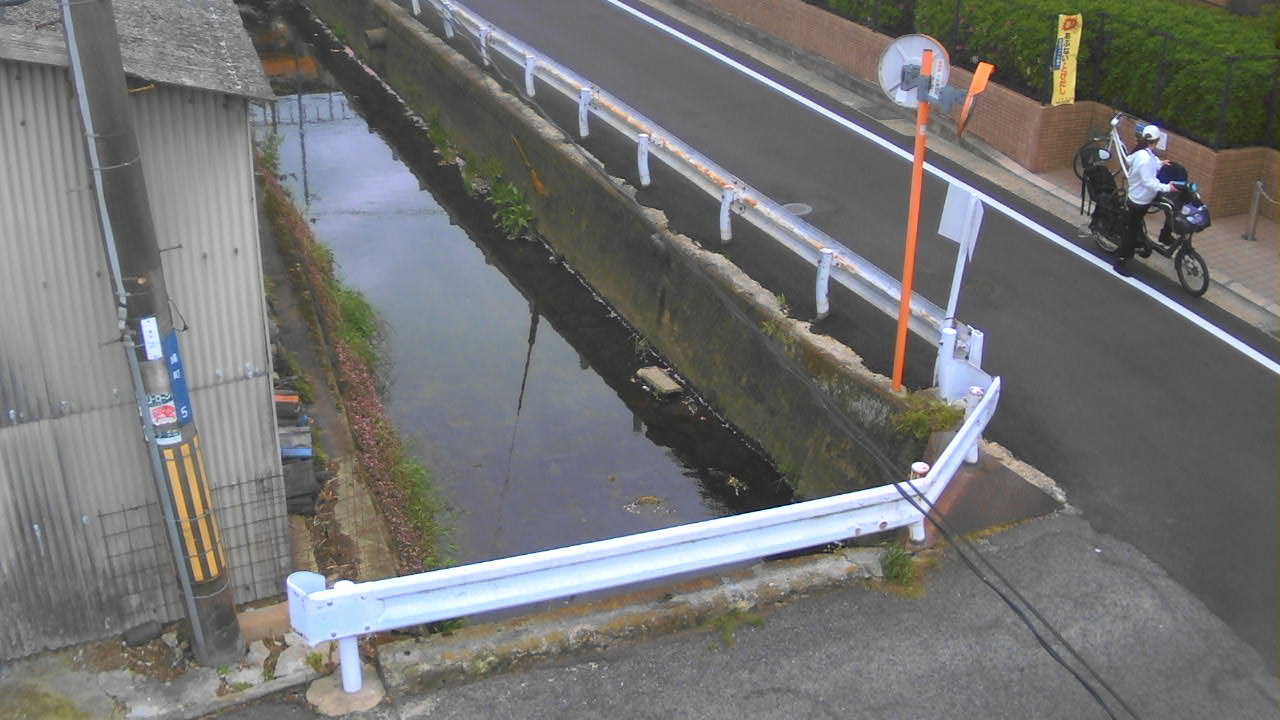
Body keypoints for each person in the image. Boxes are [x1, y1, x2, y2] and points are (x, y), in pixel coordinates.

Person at [1113, 124, 1177, 277]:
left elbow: (1145, 162)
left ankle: (1160, 237)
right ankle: (1120, 261)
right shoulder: (1145, 159)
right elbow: (1148, 181)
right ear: (1156, 141)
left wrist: (1160, 163)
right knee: (1131, 232)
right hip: (1140, 200)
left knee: (1167, 207)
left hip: (1139, 195)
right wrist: (1168, 188)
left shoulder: (1142, 152)